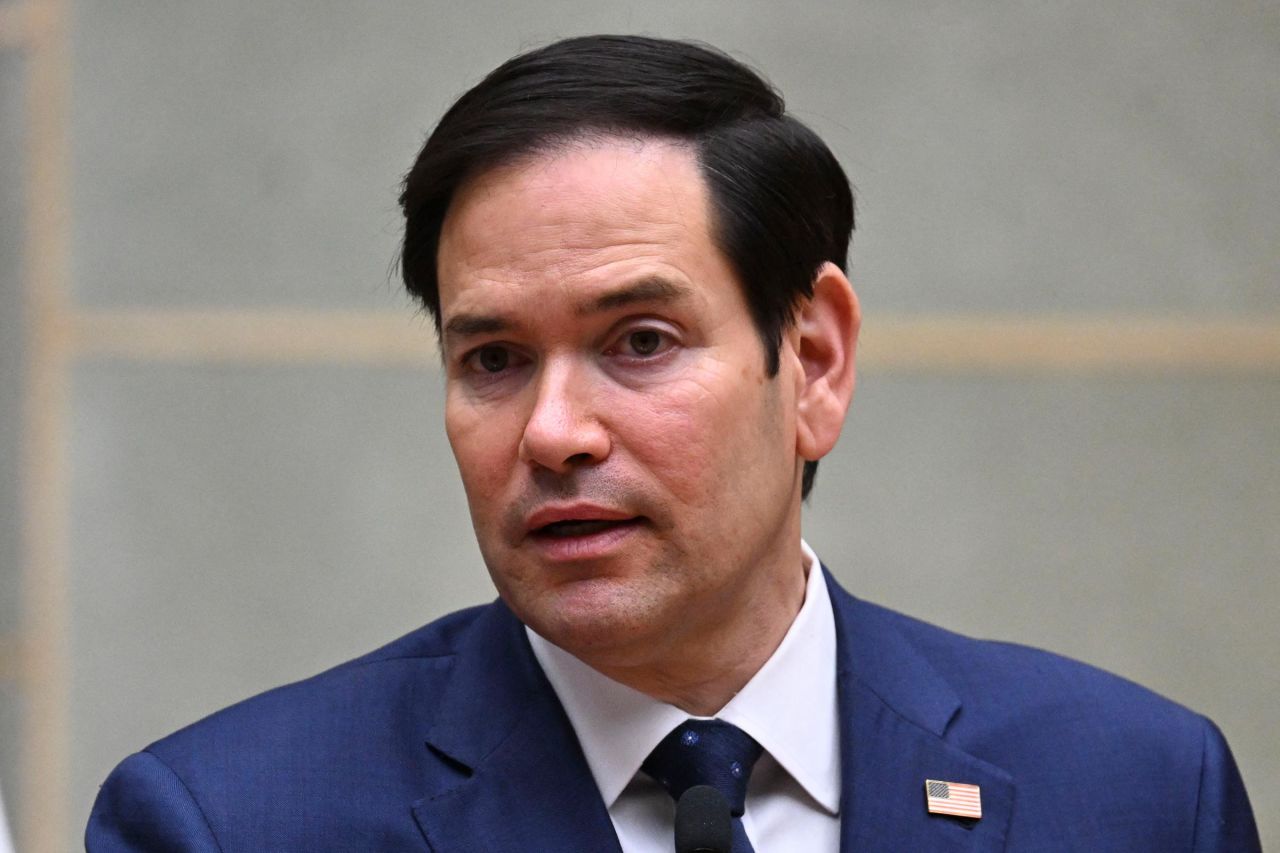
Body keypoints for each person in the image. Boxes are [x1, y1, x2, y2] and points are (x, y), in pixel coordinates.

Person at [86, 35, 1260, 851]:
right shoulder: (230, 822)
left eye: (638, 341)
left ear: (811, 361)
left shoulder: (1132, 791)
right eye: (490, 359)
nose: (551, 431)